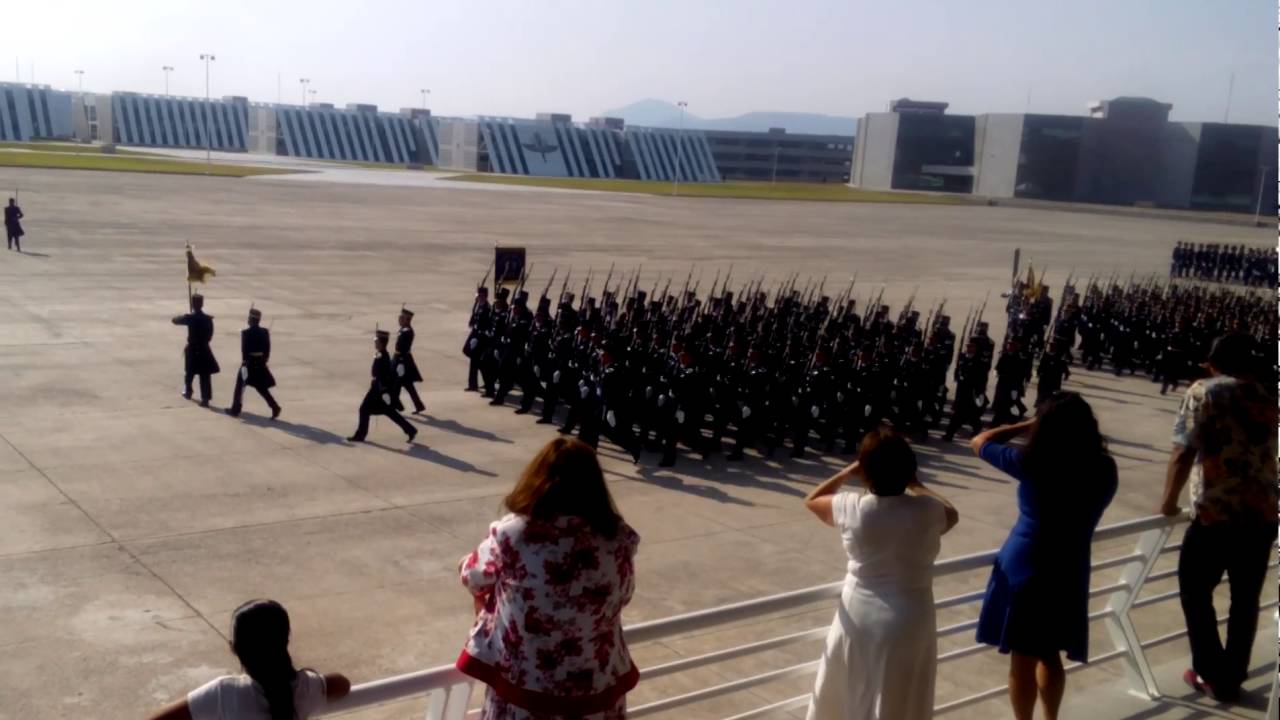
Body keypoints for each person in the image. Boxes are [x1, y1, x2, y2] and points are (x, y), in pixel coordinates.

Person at [457, 437, 640, 719]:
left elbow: (473, 577)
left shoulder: (512, 533)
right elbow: (624, 595)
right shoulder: (617, 537)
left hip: (526, 686)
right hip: (594, 684)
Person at [969, 392, 1117, 720]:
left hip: (1028, 565)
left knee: (1022, 658)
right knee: (1050, 654)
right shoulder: (1104, 468)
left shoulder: (1032, 463)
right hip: (1071, 565)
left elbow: (980, 440)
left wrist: (1029, 423)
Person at [802, 428, 958, 720]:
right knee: (902, 697)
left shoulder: (853, 507)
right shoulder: (928, 510)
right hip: (912, 617)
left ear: (866, 471)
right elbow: (952, 513)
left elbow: (813, 499)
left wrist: (850, 471)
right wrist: (916, 483)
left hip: (859, 615)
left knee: (847, 690)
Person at [1159, 333, 1278, 703]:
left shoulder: (1205, 392)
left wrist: (1167, 503)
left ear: (1213, 364)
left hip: (1216, 512)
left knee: (1194, 593)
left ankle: (1211, 673)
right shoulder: (1266, 393)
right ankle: (1232, 676)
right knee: (1245, 599)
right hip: (1261, 513)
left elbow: (1183, 450)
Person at [147, 599, 351, 720]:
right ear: (285, 639)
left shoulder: (225, 693)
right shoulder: (307, 687)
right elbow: (342, 684)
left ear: (233, 648)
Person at [347, 329, 417, 443]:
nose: (375, 343)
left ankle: (360, 435)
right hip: (378, 388)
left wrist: (384, 392)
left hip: (378, 390)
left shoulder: (383, 356)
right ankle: (410, 430)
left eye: (376, 341)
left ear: (381, 342)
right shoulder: (380, 354)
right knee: (388, 411)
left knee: (364, 409)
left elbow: (385, 376)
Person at [226, 308, 280, 419]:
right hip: (260, 362)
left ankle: (235, 409)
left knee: (240, 386)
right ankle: (274, 406)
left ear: (251, 319)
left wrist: (244, 364)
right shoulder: (264, 331)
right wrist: (264, 360)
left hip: (249, 363)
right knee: (261, 387)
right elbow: (267, 348)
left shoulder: (246, 333)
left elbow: (244, 351)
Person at [172, 293, 220, 407]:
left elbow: (174, 320)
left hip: (193, 348)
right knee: (205, 375)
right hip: (204, 348)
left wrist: (187, 315)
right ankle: (205, 398)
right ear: (202, 304)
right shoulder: (208, 319)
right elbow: (210, 336)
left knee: (189, 372)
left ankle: (188, 391)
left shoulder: (190, 318)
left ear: (193, 304)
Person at [393, 307, 426, 414]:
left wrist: (401, 363)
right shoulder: (403, 329)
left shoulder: (407, 331)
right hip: (399, 359)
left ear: (407, 319)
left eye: (401, 318)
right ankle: (398, 405)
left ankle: (396, 406)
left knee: (401, 384)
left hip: (403, 361)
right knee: (401, 385)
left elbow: (404, 348)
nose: (399, 319)